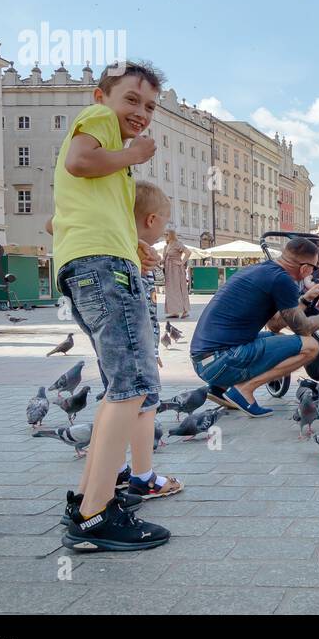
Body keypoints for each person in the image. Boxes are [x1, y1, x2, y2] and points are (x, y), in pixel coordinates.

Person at [53, 61, 169, 551]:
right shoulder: (98, 120)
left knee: (121, 387)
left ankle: (88, 496)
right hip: (102, 267)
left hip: (97, 261)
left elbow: (66, 215)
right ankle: (95, 514)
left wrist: (132, 244)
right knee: (134, 385)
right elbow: (81, 161)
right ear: (102, 95)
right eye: (131, 100)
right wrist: (133, 154)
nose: (141, 113)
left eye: (149, 107)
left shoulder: (113, 165)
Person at [191, 236, 319, 414]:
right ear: (305, 268)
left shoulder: (264, 270)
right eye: (314, 268)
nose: (312, 273)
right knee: (311, 347)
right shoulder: (282, 280)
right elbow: (304, 329)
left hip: (207, 362)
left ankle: (220, 388)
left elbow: (275, 325)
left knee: (279, 338)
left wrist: (305, 299)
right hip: (221, 360)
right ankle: (244, 391)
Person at [127, 182, 183, 499]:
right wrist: (149, 345)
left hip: (135, 343)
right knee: (145, 402)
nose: (164, 231)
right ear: (151, 220)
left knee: (124, 400)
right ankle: (143, 476)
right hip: (138, 344)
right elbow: (139, 306)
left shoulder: (132, 252)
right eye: (164, 222)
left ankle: (124, 470)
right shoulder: (137, 256)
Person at [161, 226, 191, 319]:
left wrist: (182, 262)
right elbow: (164, 259)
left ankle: (185, 311)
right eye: (164, 234)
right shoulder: (166, 246)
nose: (165, 235)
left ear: (171, 235)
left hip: (176, 269)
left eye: (167, 234)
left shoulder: (177, 244)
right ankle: (174, 311)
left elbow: (188, 252)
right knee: (170, 290)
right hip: (169, 269)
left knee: (179, 289)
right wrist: (159, 262)